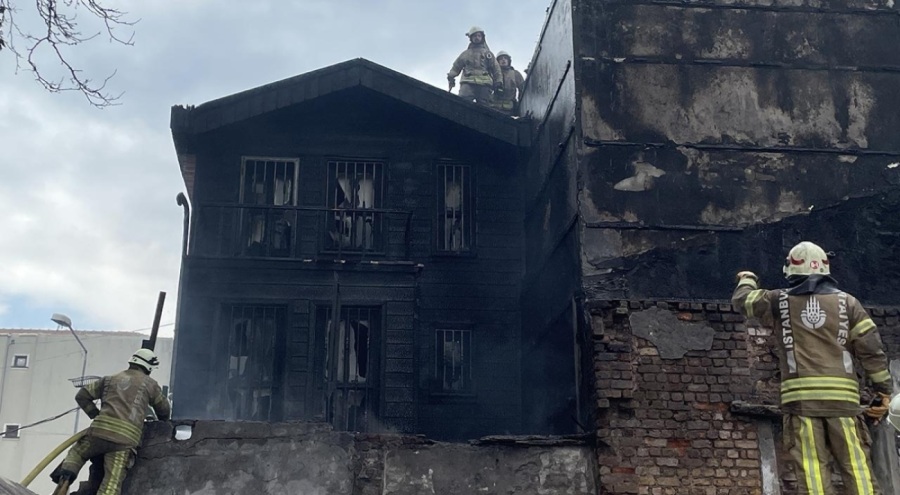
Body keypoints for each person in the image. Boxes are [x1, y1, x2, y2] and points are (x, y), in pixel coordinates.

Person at [732, 241, 892, 495]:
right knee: (855, 465)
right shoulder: (849, 304)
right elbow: (871, 350)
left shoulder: (778, 300)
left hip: (802, 403)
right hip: (843, 404)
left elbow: (743, 302)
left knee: (812, 468)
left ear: (791, 269)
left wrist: (747, 278)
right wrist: (883, 392)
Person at [52, 349, 171, 495]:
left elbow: (82, 396)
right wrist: (163, 424)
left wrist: (95, 414)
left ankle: (65, 479)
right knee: (112, 482)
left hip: (98, 434)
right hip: (123, 443)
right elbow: (164, 409)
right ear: (149, 367)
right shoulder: (150, 384)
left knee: (77, 453)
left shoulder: (109, 379)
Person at [447, 26, 502, 106]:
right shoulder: (465, 54)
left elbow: (496, 69)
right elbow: (456, 66)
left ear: (482, 38)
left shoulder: (488, 54)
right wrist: (451, 75)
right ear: (471, 38)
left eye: (479, 36)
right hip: (468, 82)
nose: (477, 38)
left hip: (484, 84)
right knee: (462, 103)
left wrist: (498, 82)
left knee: (485, 107)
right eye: (474, 36)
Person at [491, 51, 525, 115]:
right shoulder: (493, 74)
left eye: (505, 58)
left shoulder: (515, 74)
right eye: (501, 59)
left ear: (509, 61)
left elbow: (523, 90)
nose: (503, 60)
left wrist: (519, 104)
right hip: (494, 108)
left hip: (510, 109)